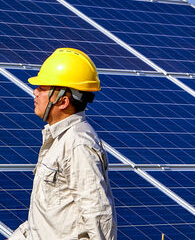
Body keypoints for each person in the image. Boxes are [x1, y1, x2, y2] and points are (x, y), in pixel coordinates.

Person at [9, 47, 116, 240]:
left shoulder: (78, 145)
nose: (35, 92)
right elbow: (49, 218)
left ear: (63, 101)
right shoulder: (59, 140)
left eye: (42, 88)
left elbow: (98, 216)